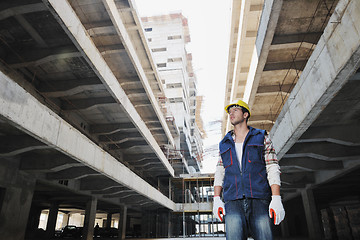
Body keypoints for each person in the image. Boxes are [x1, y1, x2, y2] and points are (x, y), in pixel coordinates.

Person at [213, 100, 285, 240]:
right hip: (232, 201)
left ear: (245, 114)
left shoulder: (261, 137)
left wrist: (276, 198)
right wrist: (216, 198)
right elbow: (220, 171)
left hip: (259, 199)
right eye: (229, 111)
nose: (231, 113)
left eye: (235, 110)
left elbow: (272, 167)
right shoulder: (224, 143)